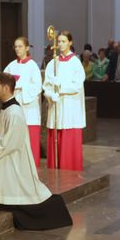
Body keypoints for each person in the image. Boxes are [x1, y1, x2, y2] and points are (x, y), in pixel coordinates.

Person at [0, 72, 73, 230]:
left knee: (22, 200)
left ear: (6, 88)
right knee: (4, 205)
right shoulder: (6, 109)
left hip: (14, 161)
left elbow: (8, 144)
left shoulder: (14, 112)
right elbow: (3, 138)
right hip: (7, 160)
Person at [43, 30, 86, 170]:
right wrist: (50, 94)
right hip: (55, 105)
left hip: (70, 107)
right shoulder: (53, 63)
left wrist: (60, 87)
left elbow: (77, 85)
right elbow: (46, 85)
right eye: (59, 41)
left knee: (68, 138)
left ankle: (70, 170)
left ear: (70, 43)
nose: (60, 44)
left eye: (63, 41)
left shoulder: (75, 63)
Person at [2, 36, 43, 163]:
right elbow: (3, 83)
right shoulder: (11, 66)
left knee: (30, 139)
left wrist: (20, 88)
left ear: (26, 48)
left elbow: (37, 86)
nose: (17, 49)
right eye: (16, 46)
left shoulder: (33, 66)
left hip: (28, 107)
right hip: (14, 106)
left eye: (20, 46)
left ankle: (32, 165)